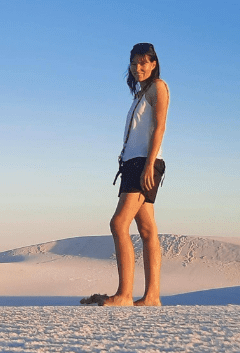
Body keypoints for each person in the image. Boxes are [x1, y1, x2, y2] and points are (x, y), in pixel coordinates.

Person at [102, 43, 169, 307]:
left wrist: (149, 165)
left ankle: (124, 295)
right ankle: (152, 296)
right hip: (133, 163)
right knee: (147, 228)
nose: (138, 68)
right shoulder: (140, 94)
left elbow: (160, 127)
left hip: (145, 162)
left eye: (143, 62)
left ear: (153, 63)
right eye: (134, 63)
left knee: (119, 223)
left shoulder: (158, 87)